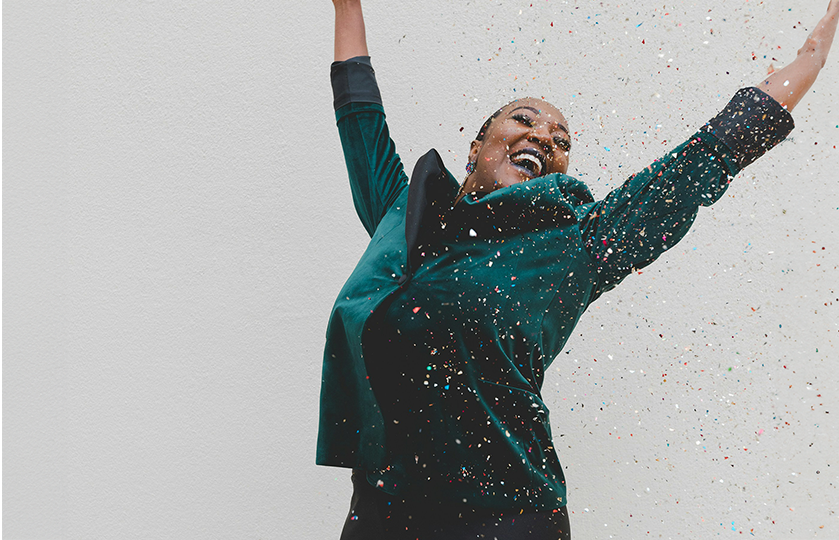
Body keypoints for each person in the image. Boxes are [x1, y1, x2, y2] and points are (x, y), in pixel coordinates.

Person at [319, 1, 838, 538]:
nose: (544, 137)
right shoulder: (402, 217)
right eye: (524, 120)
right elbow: (360, 115)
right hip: (382, 512)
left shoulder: (575, 246)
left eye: (561, 141)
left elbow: (699, 161)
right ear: (475, 148)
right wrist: (348, 7)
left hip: (506, 517)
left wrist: (811, 58)